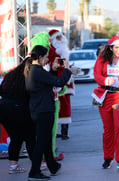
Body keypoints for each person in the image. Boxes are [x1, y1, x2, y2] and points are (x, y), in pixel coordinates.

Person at [24, 45, 77, 181]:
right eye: (46, 57)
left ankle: (53, 166)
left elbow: (49, 82)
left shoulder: (34, 70)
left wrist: (53, 70)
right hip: (43, 111)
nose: (48, 59)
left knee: (46, 140)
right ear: (40, 57)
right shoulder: (37, 71)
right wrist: (66, 70)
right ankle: (34, 172)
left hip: (38, 109)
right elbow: (59, 82)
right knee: (41, 142)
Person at [92, 36, 119, 170]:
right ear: (110, 48)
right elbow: (96, 74)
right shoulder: (102, 59)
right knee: (108, 130)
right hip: (104, 97)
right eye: (116, 47)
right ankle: (108, 157)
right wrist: (105, 80)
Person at [0, 57, 36, 174]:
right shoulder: (29, 77)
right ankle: (37, 165)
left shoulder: (10, 75)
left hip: (4, 109)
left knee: (15, 138)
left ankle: (13, 166)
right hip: (20, 109)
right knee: (30, 138)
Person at [48, 29, 74, 140]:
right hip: (56, 83)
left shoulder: (64, 50)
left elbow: (65, 65)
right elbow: (52, 64)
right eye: (57, 37)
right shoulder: (51, 51)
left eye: (61, 37)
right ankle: (55, 132)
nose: (60, 39)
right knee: (56, 108)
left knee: (66, 107)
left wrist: (71, 69)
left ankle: (64, 132)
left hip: (66, 83)